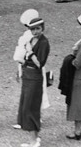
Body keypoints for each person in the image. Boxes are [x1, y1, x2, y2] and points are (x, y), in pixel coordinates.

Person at [14, 9, 49, 147]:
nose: (35, 32)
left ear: (42, 28)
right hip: (27, 74)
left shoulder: (44, 43)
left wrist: (29, 52)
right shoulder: (32, 39)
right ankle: (33, 137)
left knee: (31, 106)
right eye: (33, 29)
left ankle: (34, 140)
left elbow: (40, 63)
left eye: (37, 29)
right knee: (26, 105)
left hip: (35, 75)